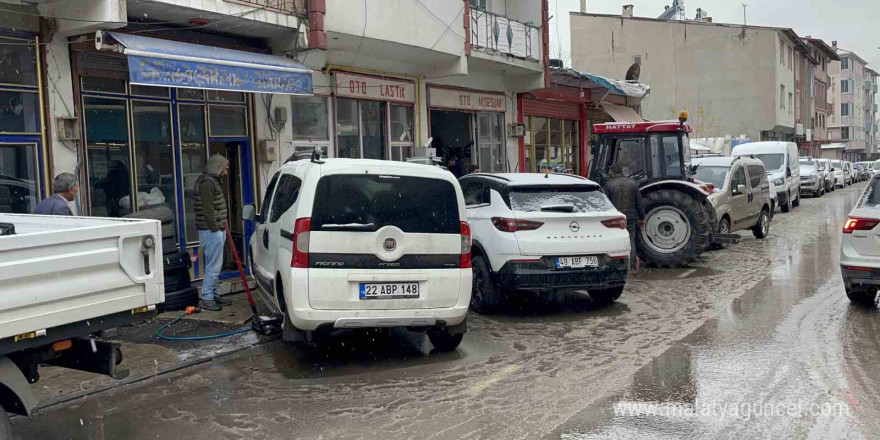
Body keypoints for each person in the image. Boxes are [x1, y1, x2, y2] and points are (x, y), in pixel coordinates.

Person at [193, 155, 231, 311]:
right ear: (217, 167)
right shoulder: (207, 183)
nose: (226, 170)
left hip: (214, 229)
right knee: (213, 266)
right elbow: (208, 209)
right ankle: (207, 297)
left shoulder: (211, 181)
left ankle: (214, 294)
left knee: (215, 265)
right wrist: (215, 228)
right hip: (211, 230)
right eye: (225, 167)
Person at [604, 163, 645, 272]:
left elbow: (606, 203)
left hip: (616, 218)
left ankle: (617, 266)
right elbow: (639, 203)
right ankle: (630, 267)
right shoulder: (633, 183)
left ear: (612, 172)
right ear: (622, 171)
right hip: (631, 217)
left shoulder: (609, 184)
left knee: (615, 241)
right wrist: (642, 217)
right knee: (630, 240)